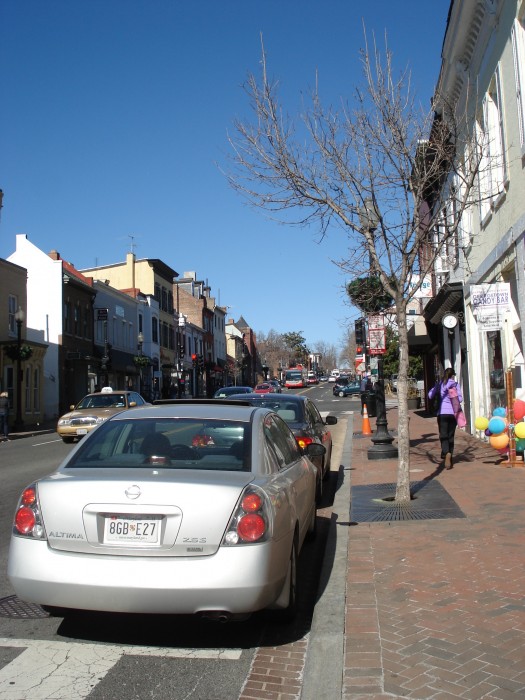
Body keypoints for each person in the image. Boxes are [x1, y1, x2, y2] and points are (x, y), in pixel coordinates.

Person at [428, 368, 463, 469]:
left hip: (442, 413)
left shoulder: (440, 384)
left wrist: (435, 388)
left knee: (443, 435)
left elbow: (430, 395)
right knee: (450, 435)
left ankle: (446, 452)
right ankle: (449, 456)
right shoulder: (455, 385)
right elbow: (460, 399)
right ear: (453, 375)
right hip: (453, 414)